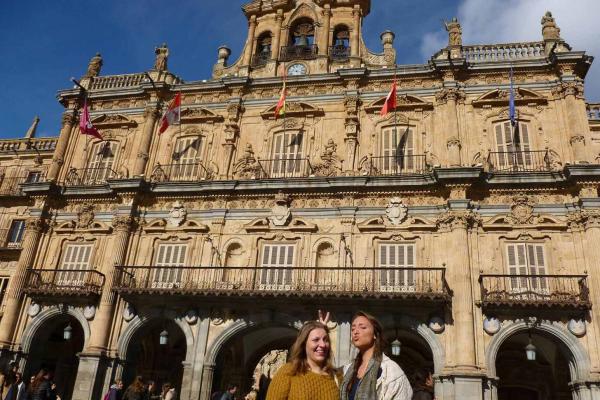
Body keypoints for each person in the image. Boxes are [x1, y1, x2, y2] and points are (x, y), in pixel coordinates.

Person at [340, 311, 412, 400]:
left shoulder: (390, 371)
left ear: (375, 334)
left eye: (362, 327)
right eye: (353, 329)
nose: (356, 332)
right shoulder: (348, 370)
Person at [266, 321, 339, 400]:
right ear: (304, 344)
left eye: (325, 340)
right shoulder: (289, 371)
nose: (323, 344)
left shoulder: (336, 377)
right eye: (316, 340)